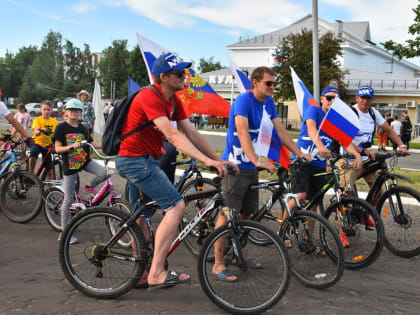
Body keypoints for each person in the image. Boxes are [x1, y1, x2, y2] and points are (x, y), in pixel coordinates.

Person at [116, 52, 237, 290]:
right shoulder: (150, 95)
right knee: (176, 206)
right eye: (180, 73)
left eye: (185, 72)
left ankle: (139, 273)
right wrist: (204, 160)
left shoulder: (173, 100)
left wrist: (217, 159)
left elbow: (191, 132)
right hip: (134, 160)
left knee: (141, 218)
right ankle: (157, 272)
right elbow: (171, 135)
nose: (185, 77)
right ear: (163, 77)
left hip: (145, 159)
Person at [211, 66, 312, 281]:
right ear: (255, 82)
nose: (273, 87)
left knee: (247, 215)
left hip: (251, 169)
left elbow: (280, 130)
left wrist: (298, 153)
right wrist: (258, 161)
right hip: (235, 167)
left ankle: (240, 255)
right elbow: (242, 131)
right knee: (227, 214)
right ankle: (218, 263)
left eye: (274, 83)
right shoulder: (243, 101)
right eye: (269, 83)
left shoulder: (268, 103)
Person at [287, 86, 362, 247]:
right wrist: (321, 147)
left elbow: (345, 141)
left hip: (319, 165)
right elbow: (312, 128)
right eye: (329, 98)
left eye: (336, 99)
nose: (332, 101)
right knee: (300, 197)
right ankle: (284, 231)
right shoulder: (313, 110)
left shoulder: (335, 120)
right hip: (302, 162)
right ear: (321, 99)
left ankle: (308, 241)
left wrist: (356, 155)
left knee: (313, 204)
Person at [339, 86, 408, 201]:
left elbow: (389, 130)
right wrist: (362, 151)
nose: (365, 101)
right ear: (357, 98)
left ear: (372, 100)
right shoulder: (350, 113)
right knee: (347, 191)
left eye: (368, 98)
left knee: (378, 191)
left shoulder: (373, 112)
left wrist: (402, 145)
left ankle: (366, 216)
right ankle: (343, 216)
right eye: (362, 98)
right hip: (349, 160)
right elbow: (344, 140)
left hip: (367, 159)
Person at [53, 99, 107, 244]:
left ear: (81, 112)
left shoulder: (83, 127)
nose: (74, 113)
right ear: (66, 111)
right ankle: (64, 233)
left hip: (84, 161)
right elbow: (57, 149)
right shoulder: (61, 128)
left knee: (104, 172)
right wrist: (71, 146)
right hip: (70, 165)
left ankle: (89, 186)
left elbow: (93, 143)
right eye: (71, 110)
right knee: (69, 198)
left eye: (77, 110)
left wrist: (109, 145)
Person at [29, 100, 58, 179]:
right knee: (33, 153)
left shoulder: (54, 121)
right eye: (44, 109)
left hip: (48, 145)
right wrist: (40, 130)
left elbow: (56, 134)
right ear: (41, 110)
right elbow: (36, 131)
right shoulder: (37, 119)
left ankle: (50, 186)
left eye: (48, 109)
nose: (46, 111)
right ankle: (31, 173)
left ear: (51, 110)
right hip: (37, 142)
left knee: (49, 168)